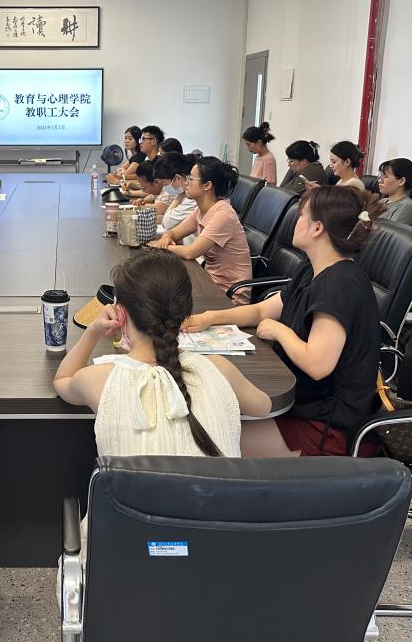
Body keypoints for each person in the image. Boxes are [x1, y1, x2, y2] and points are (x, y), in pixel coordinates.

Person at [184, 186, 384, 457]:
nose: (296, 221)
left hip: (326, 427)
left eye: (301, 215)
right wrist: (211, 318)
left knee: (210, 435)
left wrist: (280, 331)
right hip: (303, 404)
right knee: (213, 411)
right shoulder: (313, 270)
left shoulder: (338, 285)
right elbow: (261, 311)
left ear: (317, 228)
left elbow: (318, 365)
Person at [53, 249, 270, 459]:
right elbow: (264, 407)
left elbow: (62, 379)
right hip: (222, 486)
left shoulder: (97, 380)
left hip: (130, 488)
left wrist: (93, 331)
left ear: (121, 314)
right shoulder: (220, 368)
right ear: (185, 313)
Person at [148, 156, 252, 298]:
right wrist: (166, 238)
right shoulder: (200, 210)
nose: (186, 183)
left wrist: (162, 246)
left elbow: (190, 252)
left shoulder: (223, 215)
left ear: (207, 185)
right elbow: (173, 233)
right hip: (208, 280)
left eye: (190, 179)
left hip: (228, 294)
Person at [154, 152, 199, 238]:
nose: (165, 188)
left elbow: (167, 223)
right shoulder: (186, 196)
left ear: (177, 178)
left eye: (165, 184)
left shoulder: (192, 199)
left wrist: (178, 198)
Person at [376, 157, 412, 226]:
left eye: (385, 177)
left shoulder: (406, 206)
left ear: (401, 181)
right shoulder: (382, 201)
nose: (379, 180)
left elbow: (390, 231)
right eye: (380, 176)